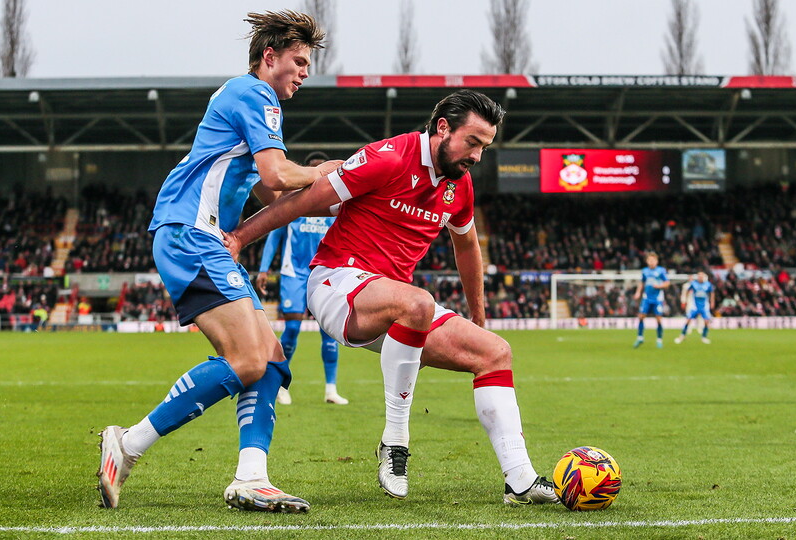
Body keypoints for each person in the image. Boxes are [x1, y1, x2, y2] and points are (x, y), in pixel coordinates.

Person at [227, 90, 560, 506]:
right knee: (416, 302)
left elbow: (467, 246)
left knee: (494, 352)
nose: (477, 156)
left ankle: (521, 479)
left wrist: (478, 314)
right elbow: (302, 203)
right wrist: (240, 237)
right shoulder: (388, 157)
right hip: (337, 283)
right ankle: (395, 442)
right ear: (443, 128)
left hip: (397, 306)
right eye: (473, 142)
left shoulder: (460, 186)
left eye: (485, 147)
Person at [96, 10, 341, 513]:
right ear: (268, 57)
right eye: (298, 61)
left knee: (271, 358)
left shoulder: (248, 97)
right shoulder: (256, 94)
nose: (304, 72)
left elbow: (267, 184)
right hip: (189, 232)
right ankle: (129, 444)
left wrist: (306, 194)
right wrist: (327, 173)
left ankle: (252, 477)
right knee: (248, 358)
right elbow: (277, 173)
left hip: (204, 237)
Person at [256, 151, 348, 405]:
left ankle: (331, 389)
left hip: (324, 271)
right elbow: (274, 235)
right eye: (314, 171)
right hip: (293, 273)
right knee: (293, 327)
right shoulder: (293, 203)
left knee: (329, 331)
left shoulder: (334, 208)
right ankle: (280, 386)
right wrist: (264, 269)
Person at [632, 252, 670, 348]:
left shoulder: (661, 271)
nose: (651, 262)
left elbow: (667, 283)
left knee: (658, 319)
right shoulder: (645, 271)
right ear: (647, 261)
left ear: (656, 261)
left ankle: (659, 340)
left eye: (653, 260)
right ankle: (640, 337)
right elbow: (642, 283)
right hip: (646, 298)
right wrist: (638, 292)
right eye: (649, 260)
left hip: (657, 298)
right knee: (641, 316)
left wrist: (659, 286)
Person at [675, 271, 714, 344]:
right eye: (699, 276)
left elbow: (712, 293)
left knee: (706, 321)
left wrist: (712, 302)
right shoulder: (694, 284)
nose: (700, 277)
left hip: (704, 306)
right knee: (688, 320)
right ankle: (682, 335)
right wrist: (686, 300)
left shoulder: (708, 285)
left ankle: (704, 337)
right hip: (695, 306)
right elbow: (687, 291)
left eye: (702, 276)